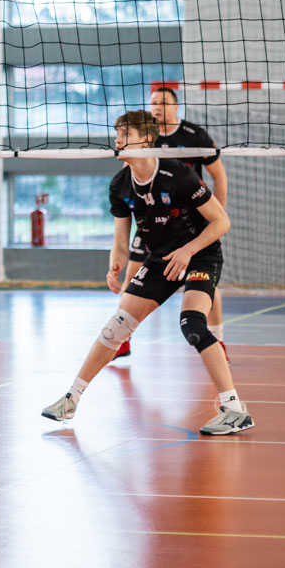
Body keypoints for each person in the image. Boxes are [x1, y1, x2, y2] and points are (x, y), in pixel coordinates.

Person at [40, 110, 251, 436]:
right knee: (116, 328)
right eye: (117, 133)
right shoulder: (120, 185)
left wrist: (188, 250)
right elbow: (121, 243)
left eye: (125, 134)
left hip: (199, 253)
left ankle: (235, 409)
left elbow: (221, 221)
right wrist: (115, 265)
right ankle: (71, 399)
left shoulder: (177, 174)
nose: (117, 140)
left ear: (147, 140)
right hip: (160, 258)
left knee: (192, 324)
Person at [113, 86, 229, 361]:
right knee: (133, 274)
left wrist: (216, 216)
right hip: (151, 217)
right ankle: (121, 338)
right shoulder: (138, 137)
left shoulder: (193, 135)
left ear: (175, 107)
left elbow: (219, 177)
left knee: (205, 283)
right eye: (153, 102)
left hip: (187, 218)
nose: (157, 107)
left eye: (163, 102)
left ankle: (218, 340)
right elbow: (130, 174)